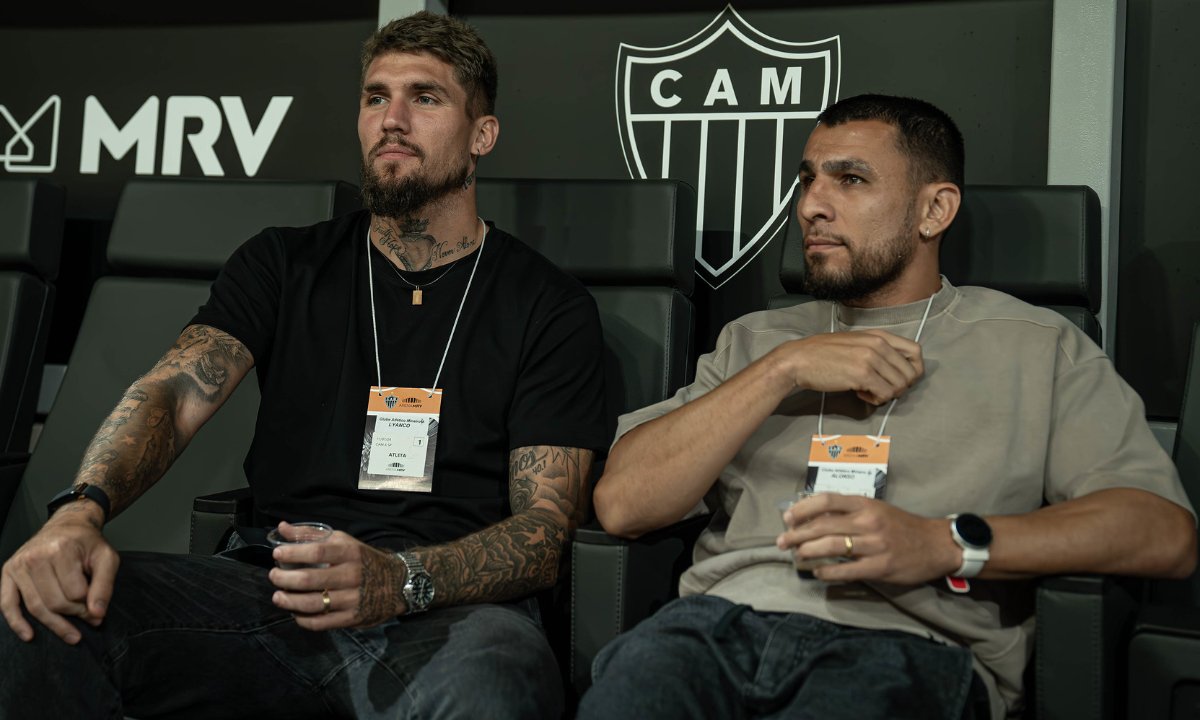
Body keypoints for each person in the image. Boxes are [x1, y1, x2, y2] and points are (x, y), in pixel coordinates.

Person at [0, 11, 606, 719]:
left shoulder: (547, 305)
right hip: (271, 590)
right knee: (44, 612)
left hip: (451, 613)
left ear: (482, 135)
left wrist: (401, 578)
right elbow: (170, 394)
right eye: (376, 97)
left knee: (496, 685)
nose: (392, 119)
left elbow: (542, 534)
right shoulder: (285, 263)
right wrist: (80, 512)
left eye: (425, 97)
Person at [577, 94, 1197, 720]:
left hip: (903, 649)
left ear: (934, 210)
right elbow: (623, 504)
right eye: (807, 178)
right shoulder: (756, 341)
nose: (811, 205)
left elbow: (1159, 530)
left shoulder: (1037, 345)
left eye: (850, 180)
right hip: (711, 634)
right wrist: (783, 370)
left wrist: (945, 543)